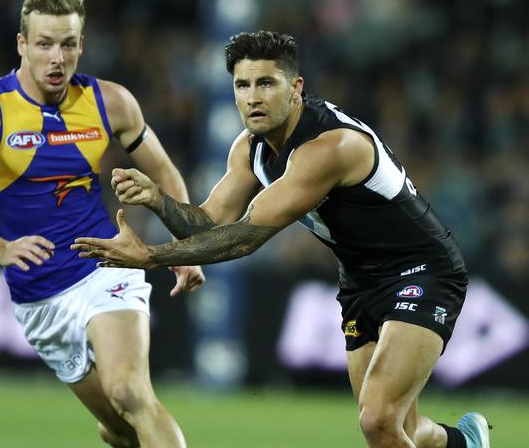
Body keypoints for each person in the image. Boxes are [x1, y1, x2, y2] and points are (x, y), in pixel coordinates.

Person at [71, 31, 491, 448]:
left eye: (266, 83)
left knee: (378, 420)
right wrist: (158, 201)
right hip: (361, 284)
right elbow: (210, 222)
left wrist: (150, 256)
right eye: (242, 85)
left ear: (296, 88)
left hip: (423, 271)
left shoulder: (330, 147)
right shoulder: (250, 149)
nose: (253, 96)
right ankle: (466, 441)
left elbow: (247, 237)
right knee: (406, 430)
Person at [0, 0, 204, 448]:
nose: (58, 57)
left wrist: (184, 245)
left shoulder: (111, 102)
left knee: (129, 393)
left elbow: (167, 174)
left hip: (105, 263)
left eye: (68, 44)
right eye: (44, 43)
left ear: (82, 44)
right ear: (22, 45)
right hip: (38, 297)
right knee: (119, 427)